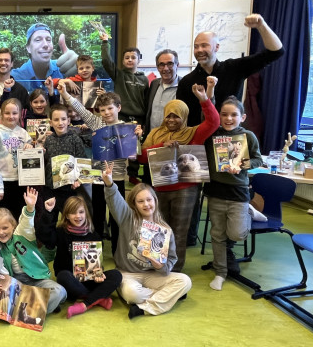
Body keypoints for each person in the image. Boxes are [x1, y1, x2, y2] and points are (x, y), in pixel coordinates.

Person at [140, 81, 219, 272]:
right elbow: (142, 157)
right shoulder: (155, 133)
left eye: (176, 116)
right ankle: (155, 266)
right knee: (156, 228)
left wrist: (204, 99)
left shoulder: (193, 133)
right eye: (169, 116)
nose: (172, 120)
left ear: (184, 116)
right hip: (158, 188)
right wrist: (161, 146)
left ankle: (174, 270)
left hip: (185, 190)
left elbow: (214, 122)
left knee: (179, 231)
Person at [58, 84, 143, 254]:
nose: (106, 113)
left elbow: (134, 156)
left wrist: (138, 137)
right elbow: (80, 109)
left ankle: (117, 251)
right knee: (96, 214)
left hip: (117, 178)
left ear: (118, 107)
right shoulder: (97, 123)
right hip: (97, 177)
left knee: (117, 215)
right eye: (102, 110)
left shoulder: (128, 128)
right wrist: (65, 94)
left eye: (110, 109)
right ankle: (95, 250)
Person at [103, 162, 192, 318]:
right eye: (140, 201)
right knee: (132, 295)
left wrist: (161, 266)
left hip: (153, 275)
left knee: (185, 281)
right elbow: (115, 201)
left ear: (155, 201)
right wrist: (109, 183)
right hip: (127, 272)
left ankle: (144, 308)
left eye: (149, 200)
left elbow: (170, 261)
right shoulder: (127, 217)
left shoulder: (165, 229)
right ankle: (167, 297)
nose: (146, 204)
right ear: (134, 204)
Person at [177, 14, 284, 127]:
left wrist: (262, 25)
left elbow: (276, 52)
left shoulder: (234, 68)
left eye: (204, 45)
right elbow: (182, 118)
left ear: (217, 47)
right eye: (196, 46)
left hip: (231, 139)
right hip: (200, 140)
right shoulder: (186, 82)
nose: (199, 50)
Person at [204, 96, 263, 291]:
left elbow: (257, 160)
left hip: (238, 193)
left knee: (236, 233)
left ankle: (248, 212)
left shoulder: (248, 136)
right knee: (218, 234)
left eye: (234, 115)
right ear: (218, 115)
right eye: (224, 114)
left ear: (242, 117)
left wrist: (242, 165)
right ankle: (221, 272)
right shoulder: (212, 134)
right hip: (215, 192)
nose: (229, 118)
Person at [39, 195, 122, 319]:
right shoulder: (61, 232)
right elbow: (45, 237)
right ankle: (98, 299)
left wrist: (99, 273)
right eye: (73, 213)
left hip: (89, 280)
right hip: (71, 281)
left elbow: (97, 262)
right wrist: (48, 212)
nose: (78, 216)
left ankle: (85, 302)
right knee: (63, 276)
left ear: (86, 213)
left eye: (81, 212)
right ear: (66, 215)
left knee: (116, 275)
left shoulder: (94, 235)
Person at [0, 187, 67, 314]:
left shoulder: (22, 234)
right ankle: (42, 304)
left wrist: (30, 207)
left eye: (5, 228)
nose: (1, 232)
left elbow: (26, 221)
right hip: (17, 283)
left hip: (37, 279)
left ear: (13, 226)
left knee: (60, 292)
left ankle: (28, 309)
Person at [0, 98, 33, 218]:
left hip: (21, 183)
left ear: (19, 114)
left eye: (14, 113)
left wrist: (31, 145)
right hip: (3, 183)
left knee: (19, 216)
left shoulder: (23, 133)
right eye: (7, 113)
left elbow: (33, 152)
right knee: (1, 218)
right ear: (2, 114)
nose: (11, 116)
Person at [11, 23, 77, 91]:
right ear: (28, 48)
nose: (45, 45)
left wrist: (81, 67)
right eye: (38, 40)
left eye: (48, 40)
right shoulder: (16, 77)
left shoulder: (63, 69)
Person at [101, 39, 148, 125]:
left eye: (133, 57)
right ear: (123, 61)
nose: (130, 60)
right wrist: (105, 42)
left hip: (139, 120)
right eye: (127, 58)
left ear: (139, 60)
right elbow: (106, 61)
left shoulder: (144, 79)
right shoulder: (118, 75)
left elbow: (147, 101)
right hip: (121, 118)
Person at [145, 49, 181, 135]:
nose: (165, 68)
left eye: (170, 64)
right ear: (157, 67)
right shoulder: (154, 84)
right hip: (152, 138)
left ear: (177, 65)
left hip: (172, 141)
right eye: (161, 64)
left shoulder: (184, 86)